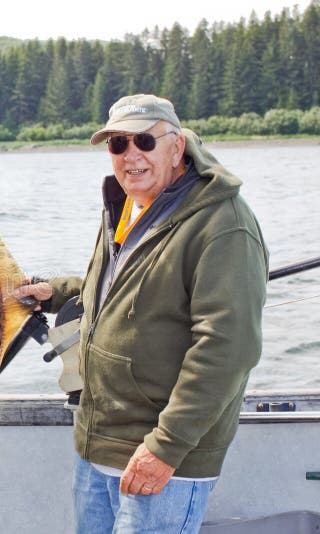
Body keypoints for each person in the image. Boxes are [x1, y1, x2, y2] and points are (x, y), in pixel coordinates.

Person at [16, 94, 268, 533]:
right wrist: (54, 292)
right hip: (99, 446)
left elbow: (228, 348)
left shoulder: (223, 223)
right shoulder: (126, 205)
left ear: (177, 146)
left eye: (144, 141)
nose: (131, 155)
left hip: (162, 459)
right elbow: (117, 291)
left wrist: (165, 448)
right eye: (117, 145)